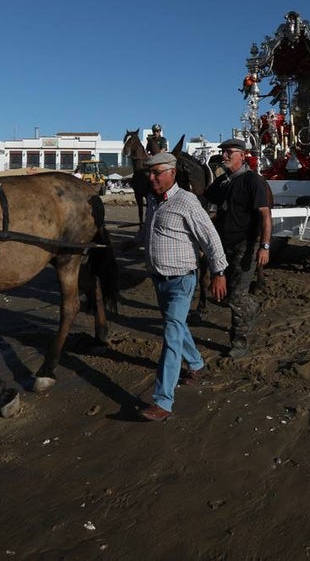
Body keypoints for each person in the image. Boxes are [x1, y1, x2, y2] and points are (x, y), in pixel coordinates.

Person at [135, 151, 228, 421]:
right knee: (176, 326)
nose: (151, 178)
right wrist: (131, 242)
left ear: (172, 173)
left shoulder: (187, 202)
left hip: (182, 280)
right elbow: (149, 229)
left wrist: (219, 272)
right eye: (149, 174)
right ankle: (197, 363)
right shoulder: (153, 200)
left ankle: (163, 401)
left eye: (156, 173)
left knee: (171, 335)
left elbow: (211, 239)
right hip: (158, 278)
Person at [206, 138, 273, 359]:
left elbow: (265, 215)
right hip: (222, 245)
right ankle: (250, 308)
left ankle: (239, 342)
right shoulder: (223, 182)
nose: (223, 155)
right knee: (224, 295)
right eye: (222, 151)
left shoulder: (253, 181)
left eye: (228, 152)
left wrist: (264, 246)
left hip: (246, 246)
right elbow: (204, 200)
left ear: (242, 156)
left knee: (236, 297)